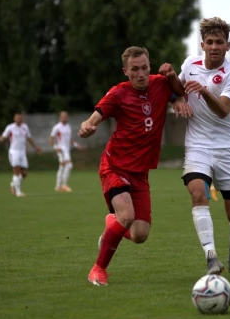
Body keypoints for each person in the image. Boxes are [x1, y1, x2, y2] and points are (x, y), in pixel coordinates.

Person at [78, 46, 189, 286]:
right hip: (115, 166)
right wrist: (88, 125)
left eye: (144, 68)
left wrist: (178, 99)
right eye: (135, 69)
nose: (141, 74)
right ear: (126, 71)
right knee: (127, 216)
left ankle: (112, 224)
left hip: (140, 173)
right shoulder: (119, 93)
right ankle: (98, 270)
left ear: (150, 66)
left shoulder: (160, 84)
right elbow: (97, 113)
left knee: (139, 235)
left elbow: (177, 92)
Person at [160, 16, 230, 276]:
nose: (214, 46)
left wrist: (204, 90)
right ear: (202, 44)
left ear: (227, 46)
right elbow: (179, 91)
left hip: (228, 149)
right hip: (198, 145)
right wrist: (172, 77)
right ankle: (211, 256)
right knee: (198, 194)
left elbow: (222, 110)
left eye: (219, 42)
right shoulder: (190, 63)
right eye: (209, 42)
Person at [0, 113, 42, 197]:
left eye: (20, 118)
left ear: (21, 119)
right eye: (17, 118)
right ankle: (18, 192)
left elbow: (29, 138)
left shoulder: (25, 127)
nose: (18, 120)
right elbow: (2, 138)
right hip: (14, 152)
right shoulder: (10, 128)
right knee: (16, 170)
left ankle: (13, 184)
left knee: (24, 173)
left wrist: (36, 147)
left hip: (22, 153)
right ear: (14, 119)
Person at [49, 111, 84, 192]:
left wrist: (76, 145)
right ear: (60, 117)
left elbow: (69, 139)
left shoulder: (68, 126)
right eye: (63, 116)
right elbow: (51, 138)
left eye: (66, 116)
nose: (64, 118)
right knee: (69, 165)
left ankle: (58, 186)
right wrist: (55, 147)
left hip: (67, 150)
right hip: (61, 149)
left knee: (62, 167)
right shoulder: (57, 127)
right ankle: (64, 185)